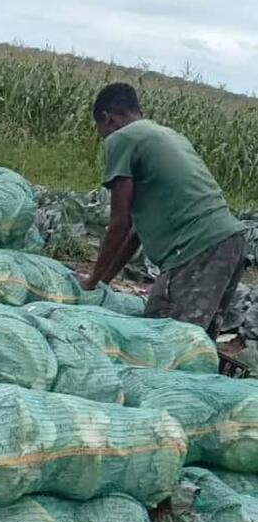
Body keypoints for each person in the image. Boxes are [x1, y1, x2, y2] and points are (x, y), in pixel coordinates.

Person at [83, 82, 245, 337]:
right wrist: (103, 282)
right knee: (196, 345)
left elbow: (120, 222)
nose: (102, 135)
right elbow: (134, 232)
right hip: (230, 242)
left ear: (108, 118)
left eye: (99, 128)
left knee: (161, 340)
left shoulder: (122, 138)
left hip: (196, 250)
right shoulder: (167, 135)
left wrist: (91, 281)